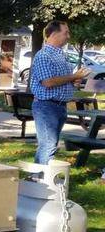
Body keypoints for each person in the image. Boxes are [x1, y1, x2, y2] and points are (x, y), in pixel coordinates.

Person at [29, 21, 90, 165]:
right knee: (48, 144)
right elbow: (48, 82)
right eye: (66, 33)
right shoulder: (44, 55)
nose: (68, 36)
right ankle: (38, 178)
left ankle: (41, 178)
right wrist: (74, 76)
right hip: (46, 106)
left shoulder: (61, 55)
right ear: (54, 34)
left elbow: (62, 80)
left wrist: (74, 81)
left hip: (60, 106)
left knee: (51, 144)